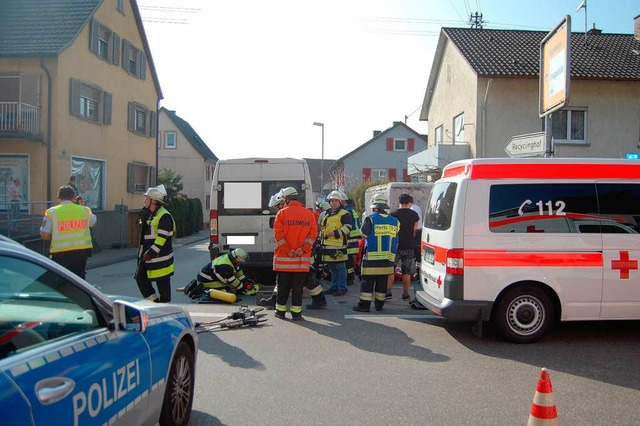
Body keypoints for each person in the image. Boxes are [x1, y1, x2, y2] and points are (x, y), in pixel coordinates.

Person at [272, 187, 318, 320]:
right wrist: (302, 249)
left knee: (283, 287)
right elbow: (313, 234)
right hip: (301, 260)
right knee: (298, 288)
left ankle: (280, 311)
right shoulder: (308, 214)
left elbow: (278, 236)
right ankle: (296, 313)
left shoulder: (281, 214)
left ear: (286, 199)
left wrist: (289, 250)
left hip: (284, 260)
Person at [353, 194, 399, 312]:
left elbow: (363, 234)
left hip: (372, 258)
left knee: (367, 282)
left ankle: (364, 305)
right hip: (388, 259)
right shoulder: (395, 221)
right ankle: (379, 305)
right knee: (382, 283)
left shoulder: (370, 218)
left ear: (374, 207)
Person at [40, 185, 96, 279]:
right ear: (74, 198)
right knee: (79, 281)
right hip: (81, 253)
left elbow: (44, 235)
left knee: (61, 281)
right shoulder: (85, 210)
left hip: (61, 254)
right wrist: (81, 206)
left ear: (59, 198)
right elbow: (93, 223)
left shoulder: (51, 212)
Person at [135, 184, 176, 303]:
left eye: (146, 198)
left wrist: (151, 252)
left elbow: (162, 238)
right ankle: (154, 302)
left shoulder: (164, 216)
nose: (144, 200)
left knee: (163, 286)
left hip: (160, 258)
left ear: (153, 201)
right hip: (150, 257)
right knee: (140, 278)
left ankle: (165, 309)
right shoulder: (153, 214)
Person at [387, 193, 420, 301]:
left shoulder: (393, 214)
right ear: (408, 203)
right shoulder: (414, 215)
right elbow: (414, 230)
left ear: (399, 202)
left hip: (395, 246)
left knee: (391, 269)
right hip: (409, 245)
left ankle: (388, 292)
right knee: (406, 271)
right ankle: (405, 293)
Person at [183, 248, 251, 301]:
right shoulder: (225, 266)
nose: (240, 263)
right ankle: (201, 289)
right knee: (227, 290)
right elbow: (232, 281)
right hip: (207, 280)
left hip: (207, 276)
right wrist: (243, 288)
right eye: (240, 261)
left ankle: (197, 284)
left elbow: (239, 272)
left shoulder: (230, 259)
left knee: (232, 286)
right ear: (237, 258)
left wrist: (245, 281)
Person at [319, 190, 352, 296]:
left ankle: (342, 287)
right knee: (332, 268)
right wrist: (320, 240)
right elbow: (323, 228)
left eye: (336, 201)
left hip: (339, 246)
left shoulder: (344, 214)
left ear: (340, 202)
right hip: (328, 245)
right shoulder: (327, 214)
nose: (334, 202)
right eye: (332, 200)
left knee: (340, 267)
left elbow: (348, 228)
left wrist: (335, 233)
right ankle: (334, 287)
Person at [342, 197, 362, 286]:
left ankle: (350, 277)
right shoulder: (352, 210)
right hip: (355, 236)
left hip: (350, 236)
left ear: (344, 202)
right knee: (351, 256)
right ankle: (353, 273)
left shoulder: (347, 211)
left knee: (348, 258)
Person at [407, 194, 423, 278]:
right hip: (419, 232)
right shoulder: (417, 207)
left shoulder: (412, 209)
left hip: (416, 232)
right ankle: (418, 271)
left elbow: (414, 223)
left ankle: (417, 273)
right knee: (417, 253)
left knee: (416, 253)